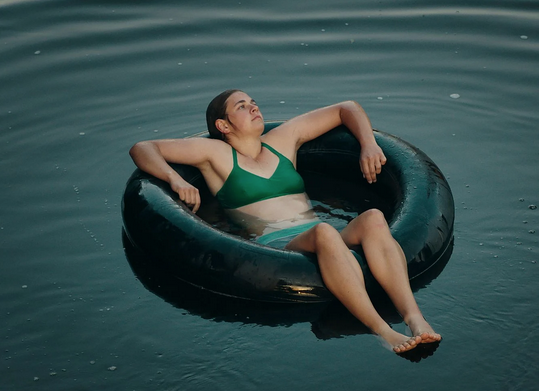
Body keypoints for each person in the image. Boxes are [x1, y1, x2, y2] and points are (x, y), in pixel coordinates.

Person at [129, 89, 441, 354]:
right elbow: (143, 148)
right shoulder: (215, 154)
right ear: (223, 125)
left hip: (320, 234)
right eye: (242, 106)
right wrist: (174, 178)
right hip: (277, 246)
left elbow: (346, 108)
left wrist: (368, 144)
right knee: (324, 232)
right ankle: (382, 331)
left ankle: (414, 318)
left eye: (253, 103)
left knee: (373, 218)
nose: (254, 108)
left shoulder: (281, 140)